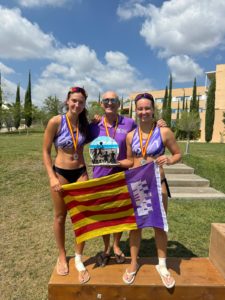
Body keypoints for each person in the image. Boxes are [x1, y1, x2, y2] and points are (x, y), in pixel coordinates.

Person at [89, 91, 168, 267]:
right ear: (102, 104)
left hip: (123, 174)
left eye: (114, 100)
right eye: (106, 100)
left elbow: (145, 132)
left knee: (120, 213)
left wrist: (159, 124)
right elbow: (80, 140)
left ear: (119, 103)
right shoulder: (94, 125)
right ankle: (106, 247)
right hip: (101, 177)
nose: (110, 103)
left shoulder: (129, 122)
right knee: (104, 215)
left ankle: (116, 246)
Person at [118, 92, 181, 288]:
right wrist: (116, 162)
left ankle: (162, 265)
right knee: (135, 226)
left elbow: (178, 154)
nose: (143, 112)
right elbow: (130, 160)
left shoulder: (164, 132)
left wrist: (169, 160)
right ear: (135, 111)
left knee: (159, 225)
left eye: (147, 108)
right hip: (137, 185)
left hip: (157, 184)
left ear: (153, 109)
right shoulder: (130, 136)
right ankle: (133, 263)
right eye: (140, 109)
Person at [43, 86, 90, 284]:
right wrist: (52, 177)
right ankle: (62, 255)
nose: (77, 104)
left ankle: (78, 257)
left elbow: (107, 127)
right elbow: (45, 151)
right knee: (60, 216)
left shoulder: (84, 123)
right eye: (74, 101)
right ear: (67, 101)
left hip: (81, 172)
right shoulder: (56, 121)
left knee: (82, 216)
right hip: (60, 173)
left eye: (80, 102)